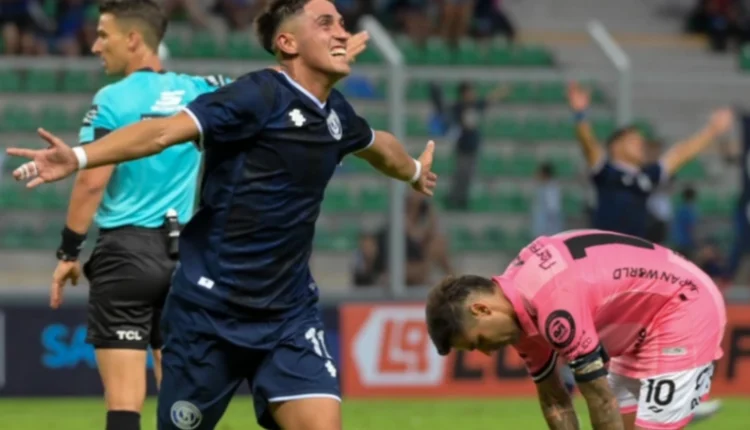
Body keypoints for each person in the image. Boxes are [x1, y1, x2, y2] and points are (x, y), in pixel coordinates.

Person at [7, 1, 437, 429]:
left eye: (342, 23)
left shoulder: (335, 113)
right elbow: (162, 131)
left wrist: (415, 171)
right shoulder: (257, 95)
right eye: (326, 23)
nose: (342, 31)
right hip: (209, 312)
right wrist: (80, 157)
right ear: (287, 42)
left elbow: (378, 145)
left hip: (289, 314)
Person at [48, 2, 232, 430]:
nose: (95, 46)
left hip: (126, 254)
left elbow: (92, 180)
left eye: (103, 35)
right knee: (180, 401)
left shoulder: (112, 98)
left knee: (124, 401)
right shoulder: (201, 90)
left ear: (133, 39)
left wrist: (69, 252)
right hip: (185, 255)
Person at [425, 229, 727, 430]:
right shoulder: (518, 307)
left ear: (481, 309)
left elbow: (600, 399)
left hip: (683, 303)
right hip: (642, 327)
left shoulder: (552, 306)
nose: (488, 352)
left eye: (478, 341)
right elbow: (554, 399)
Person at [567, 82, 733, 239]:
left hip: (636, 250)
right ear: (615, 146)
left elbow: (681, 153)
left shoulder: (647, 175)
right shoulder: (606, 171)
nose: (640, 144)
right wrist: (580, 115)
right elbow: (588, 144)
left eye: (641, 141)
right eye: (633, 140)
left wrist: (712, 130)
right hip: (605, 248)